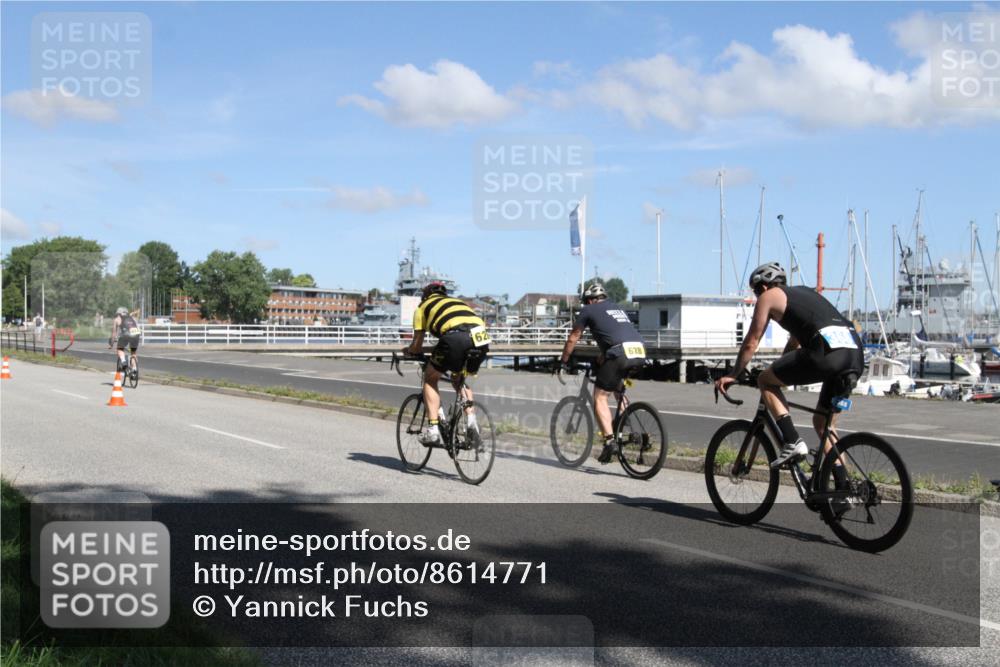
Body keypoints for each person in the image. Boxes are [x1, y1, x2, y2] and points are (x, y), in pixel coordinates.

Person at [714, 262, 864, 481]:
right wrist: (782, 367)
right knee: (824, 426)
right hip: (854, 355)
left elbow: (751, 342)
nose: (757, 297)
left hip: (826, 353)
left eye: (756, 292)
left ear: (763, 287)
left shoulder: (769, 296)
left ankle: (792, 441)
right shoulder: (803, 294)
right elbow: (794, 343)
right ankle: (844, 488)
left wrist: (734, 374)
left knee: (765, 380)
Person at [560, 282, 646, 463]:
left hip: (619, 352)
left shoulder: (588, 311)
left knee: (599, 396)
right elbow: (616, 333)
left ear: (590, 300)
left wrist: (563, 361)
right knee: (618, 389)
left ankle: (609, 442)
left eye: (585, 301)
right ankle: (627, 426)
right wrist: (602, 357)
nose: (585, 305)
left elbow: (573, 337)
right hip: (639, 350)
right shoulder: (615, 308)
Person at [402, 282, 490, 446]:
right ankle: (472, 423)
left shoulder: (423, 307)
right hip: (481, 339)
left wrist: (409, 350)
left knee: (430, 378)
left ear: (425, 296)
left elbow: (417, 344)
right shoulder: (458, 303)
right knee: (459, 379)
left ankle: (433, 430)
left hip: (456, 338)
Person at [109, 307, 141, 371]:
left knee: (120, 348)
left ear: (118, 313)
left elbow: (114, 333)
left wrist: (111, 343)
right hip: (136, 334)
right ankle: (134, 370)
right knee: (133, 353)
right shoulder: (132, 317)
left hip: (126, 334)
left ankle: (123, 362)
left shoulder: (117, 319)